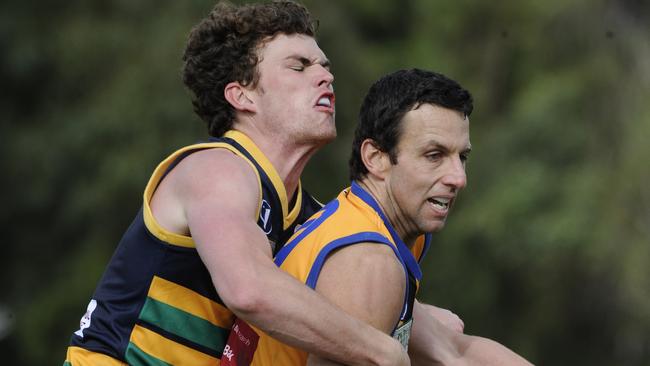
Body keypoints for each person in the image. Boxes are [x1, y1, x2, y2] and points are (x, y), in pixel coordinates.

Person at [62, 2, 419, 365]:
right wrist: (380, 351)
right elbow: (249, 289)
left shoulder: (310, 217)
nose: (326, 77)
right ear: (241, 95)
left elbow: (412, 318)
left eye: (325, 67)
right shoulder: (217, 169)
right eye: (299, 66)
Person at [222, 69, 534, 366]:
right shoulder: (369, 263)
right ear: (375, 159)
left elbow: (454, 353)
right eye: (434, 155)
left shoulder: (377, 223)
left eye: (461, 157)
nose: (458, 178)